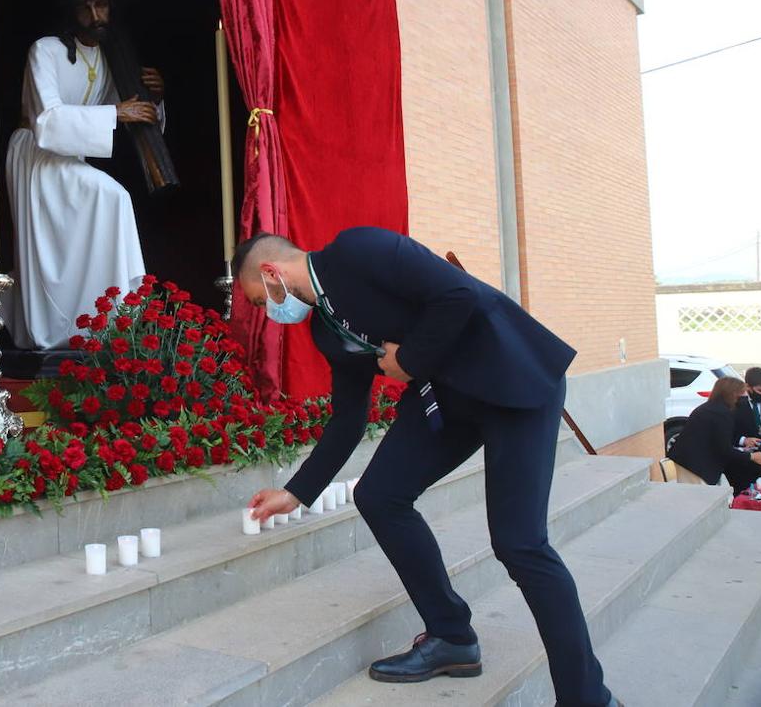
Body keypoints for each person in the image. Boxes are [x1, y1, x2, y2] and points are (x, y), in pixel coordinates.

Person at [236, 227, 620, 707]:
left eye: (259, 300)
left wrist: (411, 360)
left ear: (271, 272)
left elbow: (457, 294)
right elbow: (349, 417)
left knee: (520, 545)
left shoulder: (359, 249)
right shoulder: (324, 329)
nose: (269, 312)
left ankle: (588, 697)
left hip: (512, 381)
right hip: (448, 397)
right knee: (379, 495)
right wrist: (296, 492)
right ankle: (452, 637)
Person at [4, 0, 167, 349]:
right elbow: (50, 121)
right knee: (113, 198)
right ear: (72, 10)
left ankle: (94, 323)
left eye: (103, 4)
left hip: (70, 161)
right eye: (88, 6)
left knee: (97, 219)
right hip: (36, 156)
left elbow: (126, 113)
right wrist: (117, 111)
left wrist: (152, 100)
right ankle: (103, 319)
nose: (97, 15)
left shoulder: (108, 57)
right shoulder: (45, 50)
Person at [667, 376, 761, 489]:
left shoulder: (713, 408)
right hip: (695, 465)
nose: (745, 396)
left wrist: (744, 441)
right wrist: (752, 456)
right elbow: (724, 449)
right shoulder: (720, 413)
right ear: (732, 394)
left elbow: (718, 436)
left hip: (690, 461)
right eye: (743, 393)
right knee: (699, 499)